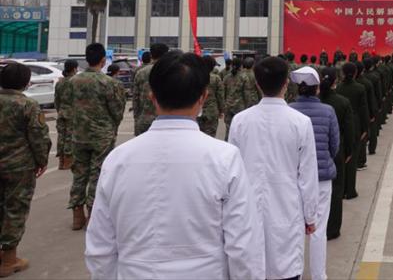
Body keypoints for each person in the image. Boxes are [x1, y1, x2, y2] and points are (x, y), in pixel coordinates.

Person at [85, 52, 265, 279]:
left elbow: (100, 247)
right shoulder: (224, 158)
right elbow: (243, 245)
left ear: (152, 97)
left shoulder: (118, 159)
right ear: (203, 97)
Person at [229, 57, 318, 280]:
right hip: (287, 208)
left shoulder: (240, 121)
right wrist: (310, 216)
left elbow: (232, 173)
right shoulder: (300, 122)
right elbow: (307, 175)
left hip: (245, 211)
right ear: (286, 83)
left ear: (257, 84)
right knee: (284, 267)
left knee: (250, 267)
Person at [67, 43, 126, 231]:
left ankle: (77, 214)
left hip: (78, 134)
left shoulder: (72, 82)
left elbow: (65, 106)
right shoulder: (110, 83)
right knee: (97, 174)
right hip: (101, 135)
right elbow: (117, 110)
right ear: (103, 60)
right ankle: (93, 213)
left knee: (79, 174)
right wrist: (111, 126)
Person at [0, 63, 51, 277]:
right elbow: (38, 137)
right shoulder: (27, 105)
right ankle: (9, 260)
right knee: (15, 209)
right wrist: (42, 161)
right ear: (25, 82)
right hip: (18, 167)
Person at [288, 66, 339, 280]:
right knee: (318, 230)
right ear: (317, 89)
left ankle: (295, 273)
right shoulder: (328, 111)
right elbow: (334, 145)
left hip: (294, 177)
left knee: (295, 229)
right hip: (321, 177)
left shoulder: (289, 110)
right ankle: (319, 275)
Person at [318, 67, 353, 241]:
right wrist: (349, 152)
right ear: (335, 81)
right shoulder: (342, 102)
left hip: (314, 154)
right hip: (336, 152)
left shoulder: (314, 102)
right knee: (336, 191)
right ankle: (332, 229)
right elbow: (348, 130)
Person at [337, 62, 368, 200]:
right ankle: (350, 190)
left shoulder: (338, 88)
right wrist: (365, 128)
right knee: (352, 156)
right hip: (355, 122)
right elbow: (363, 109)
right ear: (355, 73)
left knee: (340, 157)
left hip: (339, 123)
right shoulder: (360, 88)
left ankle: (341, 188)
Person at [132, 42, 169, 135]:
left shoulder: (141, 72)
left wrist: (137, 119)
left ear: (151, 55)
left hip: (144, 120)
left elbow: (135, 98)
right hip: (166, 121)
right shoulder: (172, 71)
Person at [54, 59, 79, 170]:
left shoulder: (60, 82)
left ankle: (61, 160)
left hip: (61, 112)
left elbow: (56, 100)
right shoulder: (76, 82)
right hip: (72, 113)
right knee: (69, 136)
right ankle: (68, 160)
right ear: (74, 69)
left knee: (61, 136)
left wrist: (59, 110)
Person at [197, 55, 224, 138]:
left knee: (197, 136)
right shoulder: (216, 78)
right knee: (210, 137)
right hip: (212, 111)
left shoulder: (194, 76)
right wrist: (221, 110)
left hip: (196, 110)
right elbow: (220, 96)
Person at [222, 57, 243, 140]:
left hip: (228, 106)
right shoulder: (243, 77)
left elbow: (222, 92)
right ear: (240, 66)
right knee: (239, 129)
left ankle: (228, 144)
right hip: (240, 107)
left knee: (228, 128)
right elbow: (246, 93)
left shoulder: (226, 77)